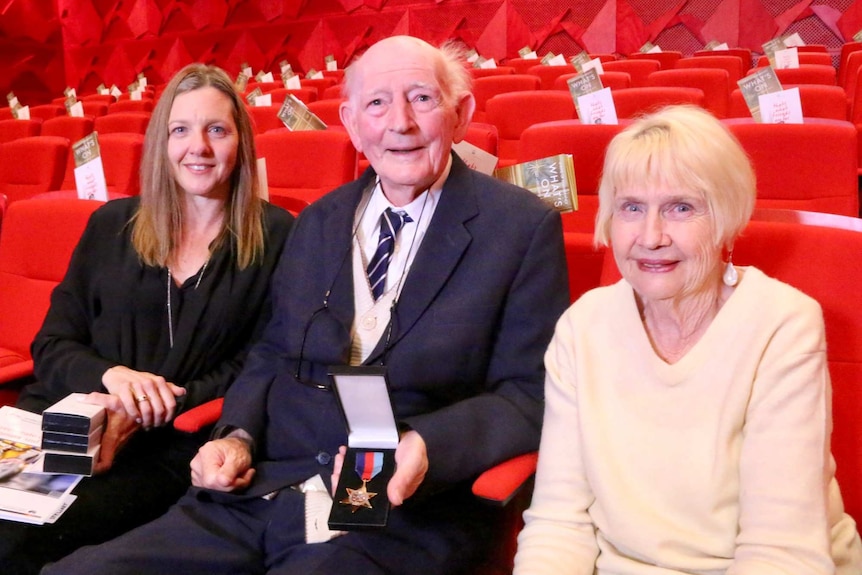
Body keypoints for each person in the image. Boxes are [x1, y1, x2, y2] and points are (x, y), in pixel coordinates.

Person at [42, 35, 570, 575]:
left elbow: (531, 394)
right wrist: (238, 436)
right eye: (376, 103)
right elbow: (272, 351)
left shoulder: (520, 229)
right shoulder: (319, 221)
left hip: (398, 513)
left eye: (422, 99)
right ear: (351, 123)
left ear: (462, 115)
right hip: (263, 490)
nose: (400, 123)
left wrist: (427, 445)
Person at [513, 105, 862, 574]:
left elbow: (781, 553)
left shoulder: (782, 324)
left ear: (726, 218)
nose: (651, 236)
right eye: (631, 207)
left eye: (681, 208)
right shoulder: (583, 327)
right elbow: (559, 524)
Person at [0, 64, 293, 574]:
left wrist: (151, 406)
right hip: (68, 425)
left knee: (18, 546)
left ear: (240, 142)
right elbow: (53, 342)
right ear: (161, 142)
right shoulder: (110, 225)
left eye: (216, 130)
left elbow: (260, 361)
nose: (197, 147)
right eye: (180, 130)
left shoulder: (276, 237)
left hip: (170, 443)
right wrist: (112, 378)